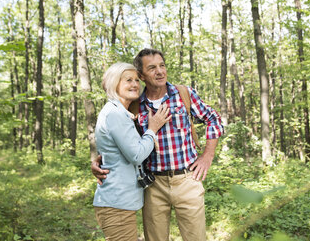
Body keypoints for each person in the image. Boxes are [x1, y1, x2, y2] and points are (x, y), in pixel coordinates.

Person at [92, 49, 224, 241]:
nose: (160, 71)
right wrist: (102, 161)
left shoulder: (183, 94)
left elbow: (214, 119)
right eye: (152, 68)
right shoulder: (135, 104)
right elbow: (120, 139)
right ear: (142, 75)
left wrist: (207, 156)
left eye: (162, 66)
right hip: (152, 185)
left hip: (187, 179)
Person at [93, 62, 171, 241]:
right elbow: (136, 155)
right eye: (128, 80)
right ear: (115, 84)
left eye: (137, 80)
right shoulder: (115, 114)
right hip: (116, 204)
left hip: (121, 202)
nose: (135, 84)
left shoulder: (123, 112)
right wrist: (153, 128)